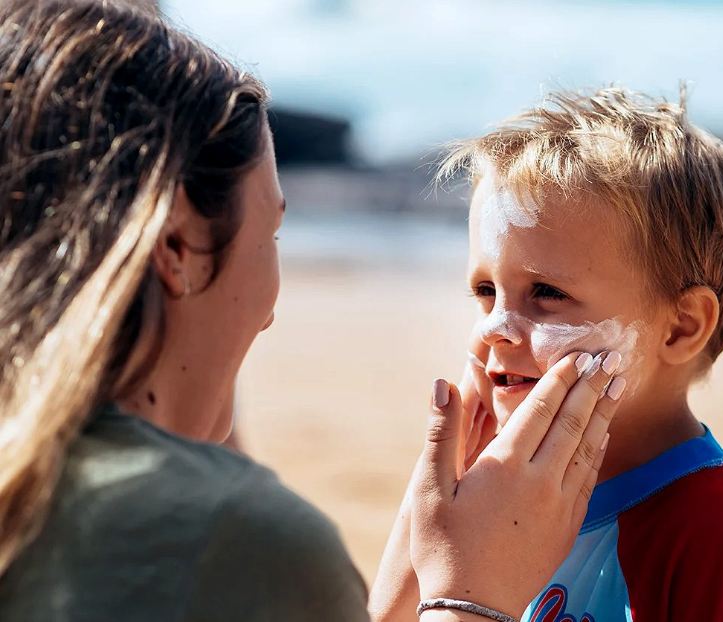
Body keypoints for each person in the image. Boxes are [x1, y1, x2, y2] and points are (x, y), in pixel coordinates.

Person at [0, 2, 622, 621]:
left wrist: (418, 555)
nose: (270, 314)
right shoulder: (238, 539)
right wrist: (476, 597)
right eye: (270, 234)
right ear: (178, 249)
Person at [371, 88, 723, 621]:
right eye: (485, 292)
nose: (496, 327)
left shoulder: (709, 522)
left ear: (681, 328)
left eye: (546, 293)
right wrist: (425, 519)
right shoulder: (491, 493)